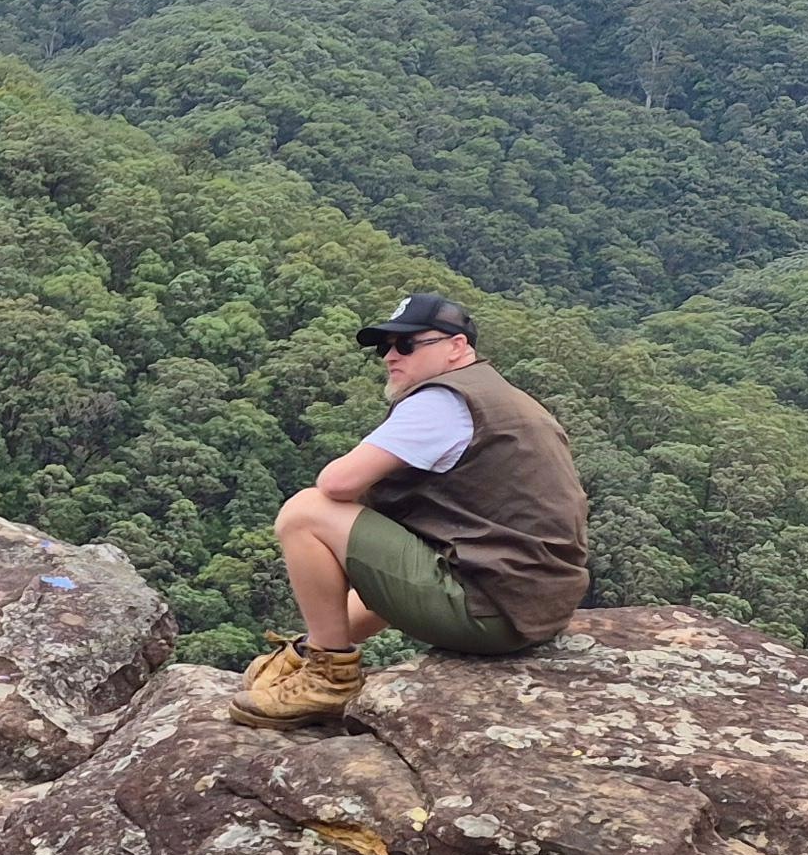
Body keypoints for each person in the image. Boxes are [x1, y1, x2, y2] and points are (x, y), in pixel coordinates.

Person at [231, 290, 590, 729]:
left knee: (306, 512)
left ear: (457, 346)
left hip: (489, 610)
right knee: (397, 537)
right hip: (530, 608)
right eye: (385, 347)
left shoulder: (443, 401)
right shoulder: (504, 398)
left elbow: (337, 483)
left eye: (406, 344)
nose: (390, 356)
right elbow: (403, 563)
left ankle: (328, 677)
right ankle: (313, 653)